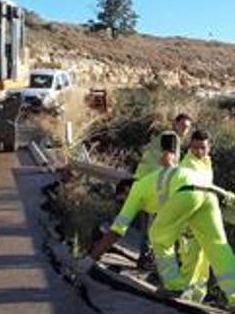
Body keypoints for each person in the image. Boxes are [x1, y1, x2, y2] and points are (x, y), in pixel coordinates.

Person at [148, 166, 235, 314]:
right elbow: (206, 185)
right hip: (207, 201)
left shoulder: (191, 164)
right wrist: (231, 197)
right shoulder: (199, 164)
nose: (201, 150)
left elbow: (120, 225)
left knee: (160, 237)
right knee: (219, 249)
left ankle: (176, 287)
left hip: (190, 211)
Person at [80, 132, 180, 265]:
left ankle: (152, 260)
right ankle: (150, 260)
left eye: (123, 199)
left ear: (127, 190)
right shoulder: (141, 192)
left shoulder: (140, 191)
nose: (124, 202)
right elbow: (117, 230)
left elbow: (117, 230)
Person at [132, 113, 193, 269]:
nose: (185, 130)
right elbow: (167, 161)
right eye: (183, 126)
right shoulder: (171, 137)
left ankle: (146, 257)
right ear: (175, 124)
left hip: (144, 183)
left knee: (149, 223)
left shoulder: (163, 136)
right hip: (153, 186)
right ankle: (148, 258)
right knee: (155, 225)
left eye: (187, 128)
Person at [176, 130, 214, 303]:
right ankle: (183, 297)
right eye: (196, 148)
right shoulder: (188, 165)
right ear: (190, 146)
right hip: (189, 219)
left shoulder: (206, 161)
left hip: (203, 219)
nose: (200, 151)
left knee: (203, 260)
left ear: (209, 147)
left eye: (203, 148)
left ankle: (198, 298)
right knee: (191, 259)